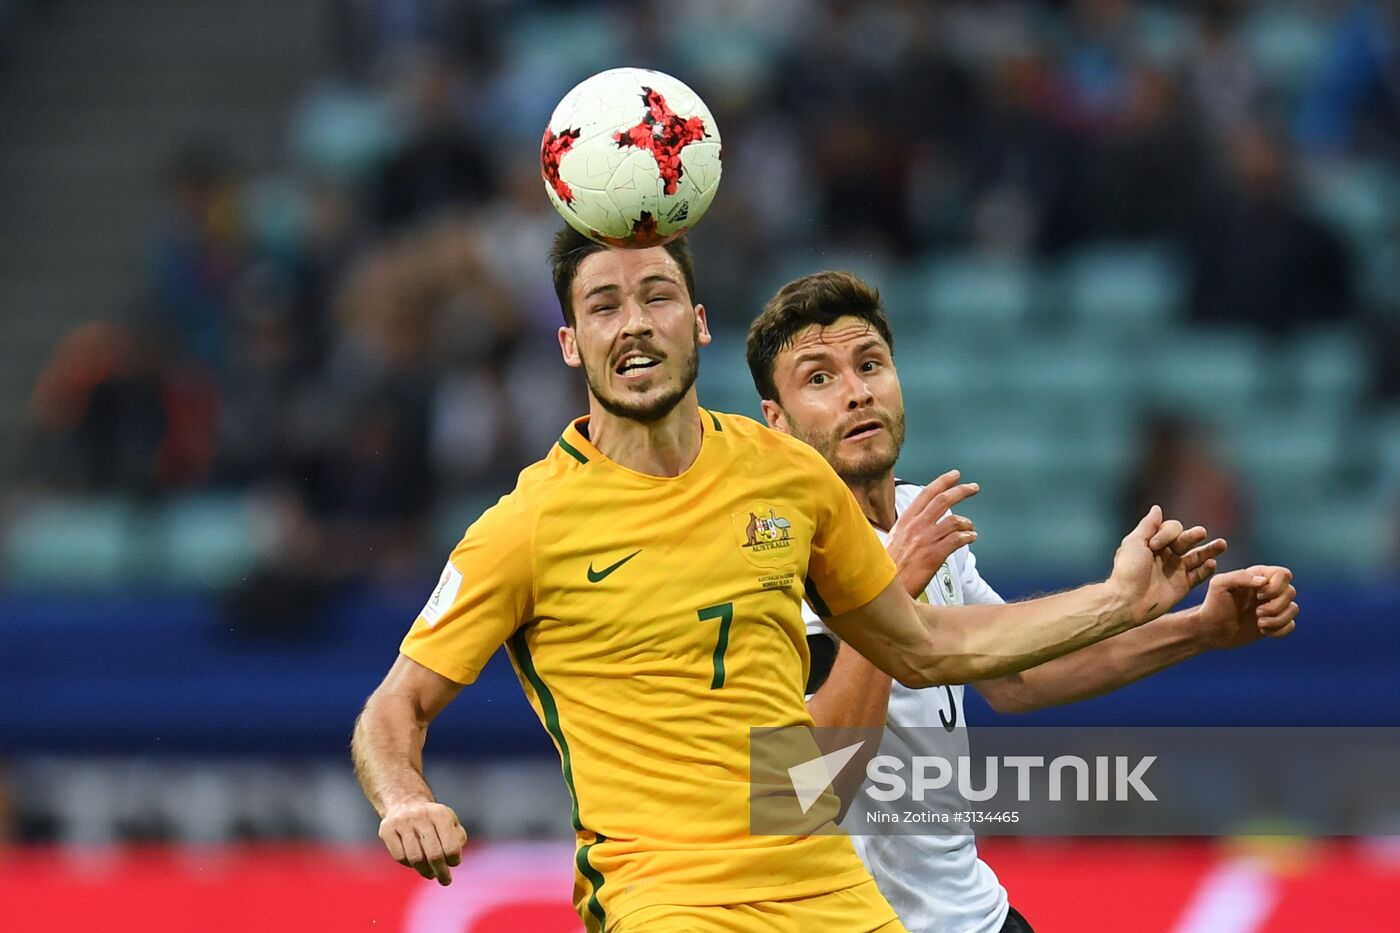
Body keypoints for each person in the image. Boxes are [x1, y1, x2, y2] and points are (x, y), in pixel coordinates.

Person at [351, 227, 1226, 933]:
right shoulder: (523, 527)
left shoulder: (787, 479)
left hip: (836, 898)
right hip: (671, 903)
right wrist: (404, 797)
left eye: (656, 296)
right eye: (604, 305)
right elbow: (395, 708)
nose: (634, 323)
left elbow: (927, 645)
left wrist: (1126, 604)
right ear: (571, 343)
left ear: (696, 322)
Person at [746, 269, 1300, 933]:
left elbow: (1018, 677)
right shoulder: (771, 559)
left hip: (974, 916)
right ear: (774, 421)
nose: (857, 391)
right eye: (819, 378)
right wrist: (887, 593)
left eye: (870, 364)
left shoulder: (923, 524)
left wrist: (1198, 630)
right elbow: (802, 792)